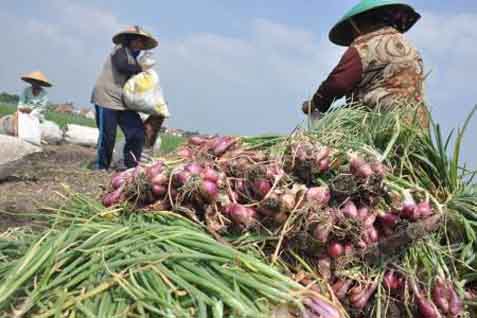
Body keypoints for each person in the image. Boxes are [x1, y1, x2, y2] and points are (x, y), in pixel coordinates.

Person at [303, 0, 428, 127]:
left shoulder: (364, 46)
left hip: (381, 122)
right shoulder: (409, 46)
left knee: (328, 124)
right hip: (416, 123)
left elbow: (337, 84)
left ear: (359, 23)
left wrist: (315, 103)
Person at [91, 26, 158, 170]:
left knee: (137, 132)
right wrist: (142, 69)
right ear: (130, 40)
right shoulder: (119, 50)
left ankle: (131, 167)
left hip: (124, 102)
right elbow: (122, 66)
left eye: (142, 43)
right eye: (138, 41)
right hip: (106, 98)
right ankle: (101, 167)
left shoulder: (136, 59)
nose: (140, 45)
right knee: (108, 135)